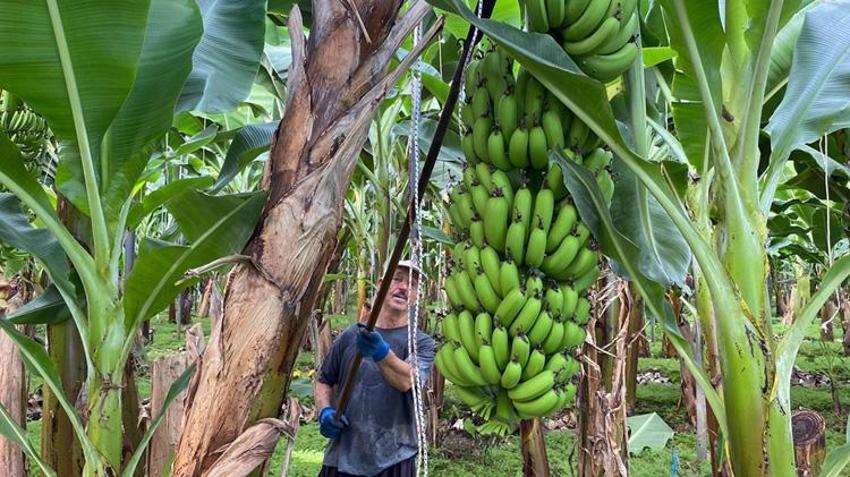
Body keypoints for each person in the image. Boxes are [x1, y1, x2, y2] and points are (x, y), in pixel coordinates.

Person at [315, 260, 436, 477]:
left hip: (394, 459)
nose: (403, 287)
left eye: (412, 284)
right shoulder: (351, 335)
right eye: (397, 278)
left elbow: (408, 380)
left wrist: (381, 352)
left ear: (417, 296)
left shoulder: (422, 343)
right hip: (341, 457)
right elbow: (324, 380)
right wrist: (324, 410)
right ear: (381, 284)